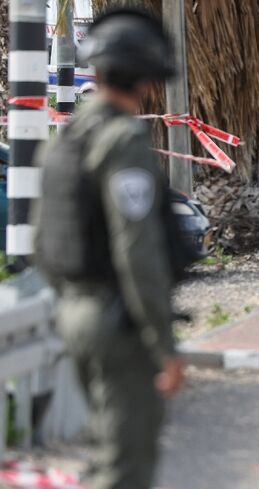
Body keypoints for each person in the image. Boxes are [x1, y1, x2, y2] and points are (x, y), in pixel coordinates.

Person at [34, 9, 185, 488]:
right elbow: (136, 249)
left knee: (103, 455)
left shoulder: (68, 138)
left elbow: (45, 237)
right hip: (116, 319)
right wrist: (164, 345)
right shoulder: (122, 139)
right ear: (147, 77)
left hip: (74, 310)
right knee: (125, 466)